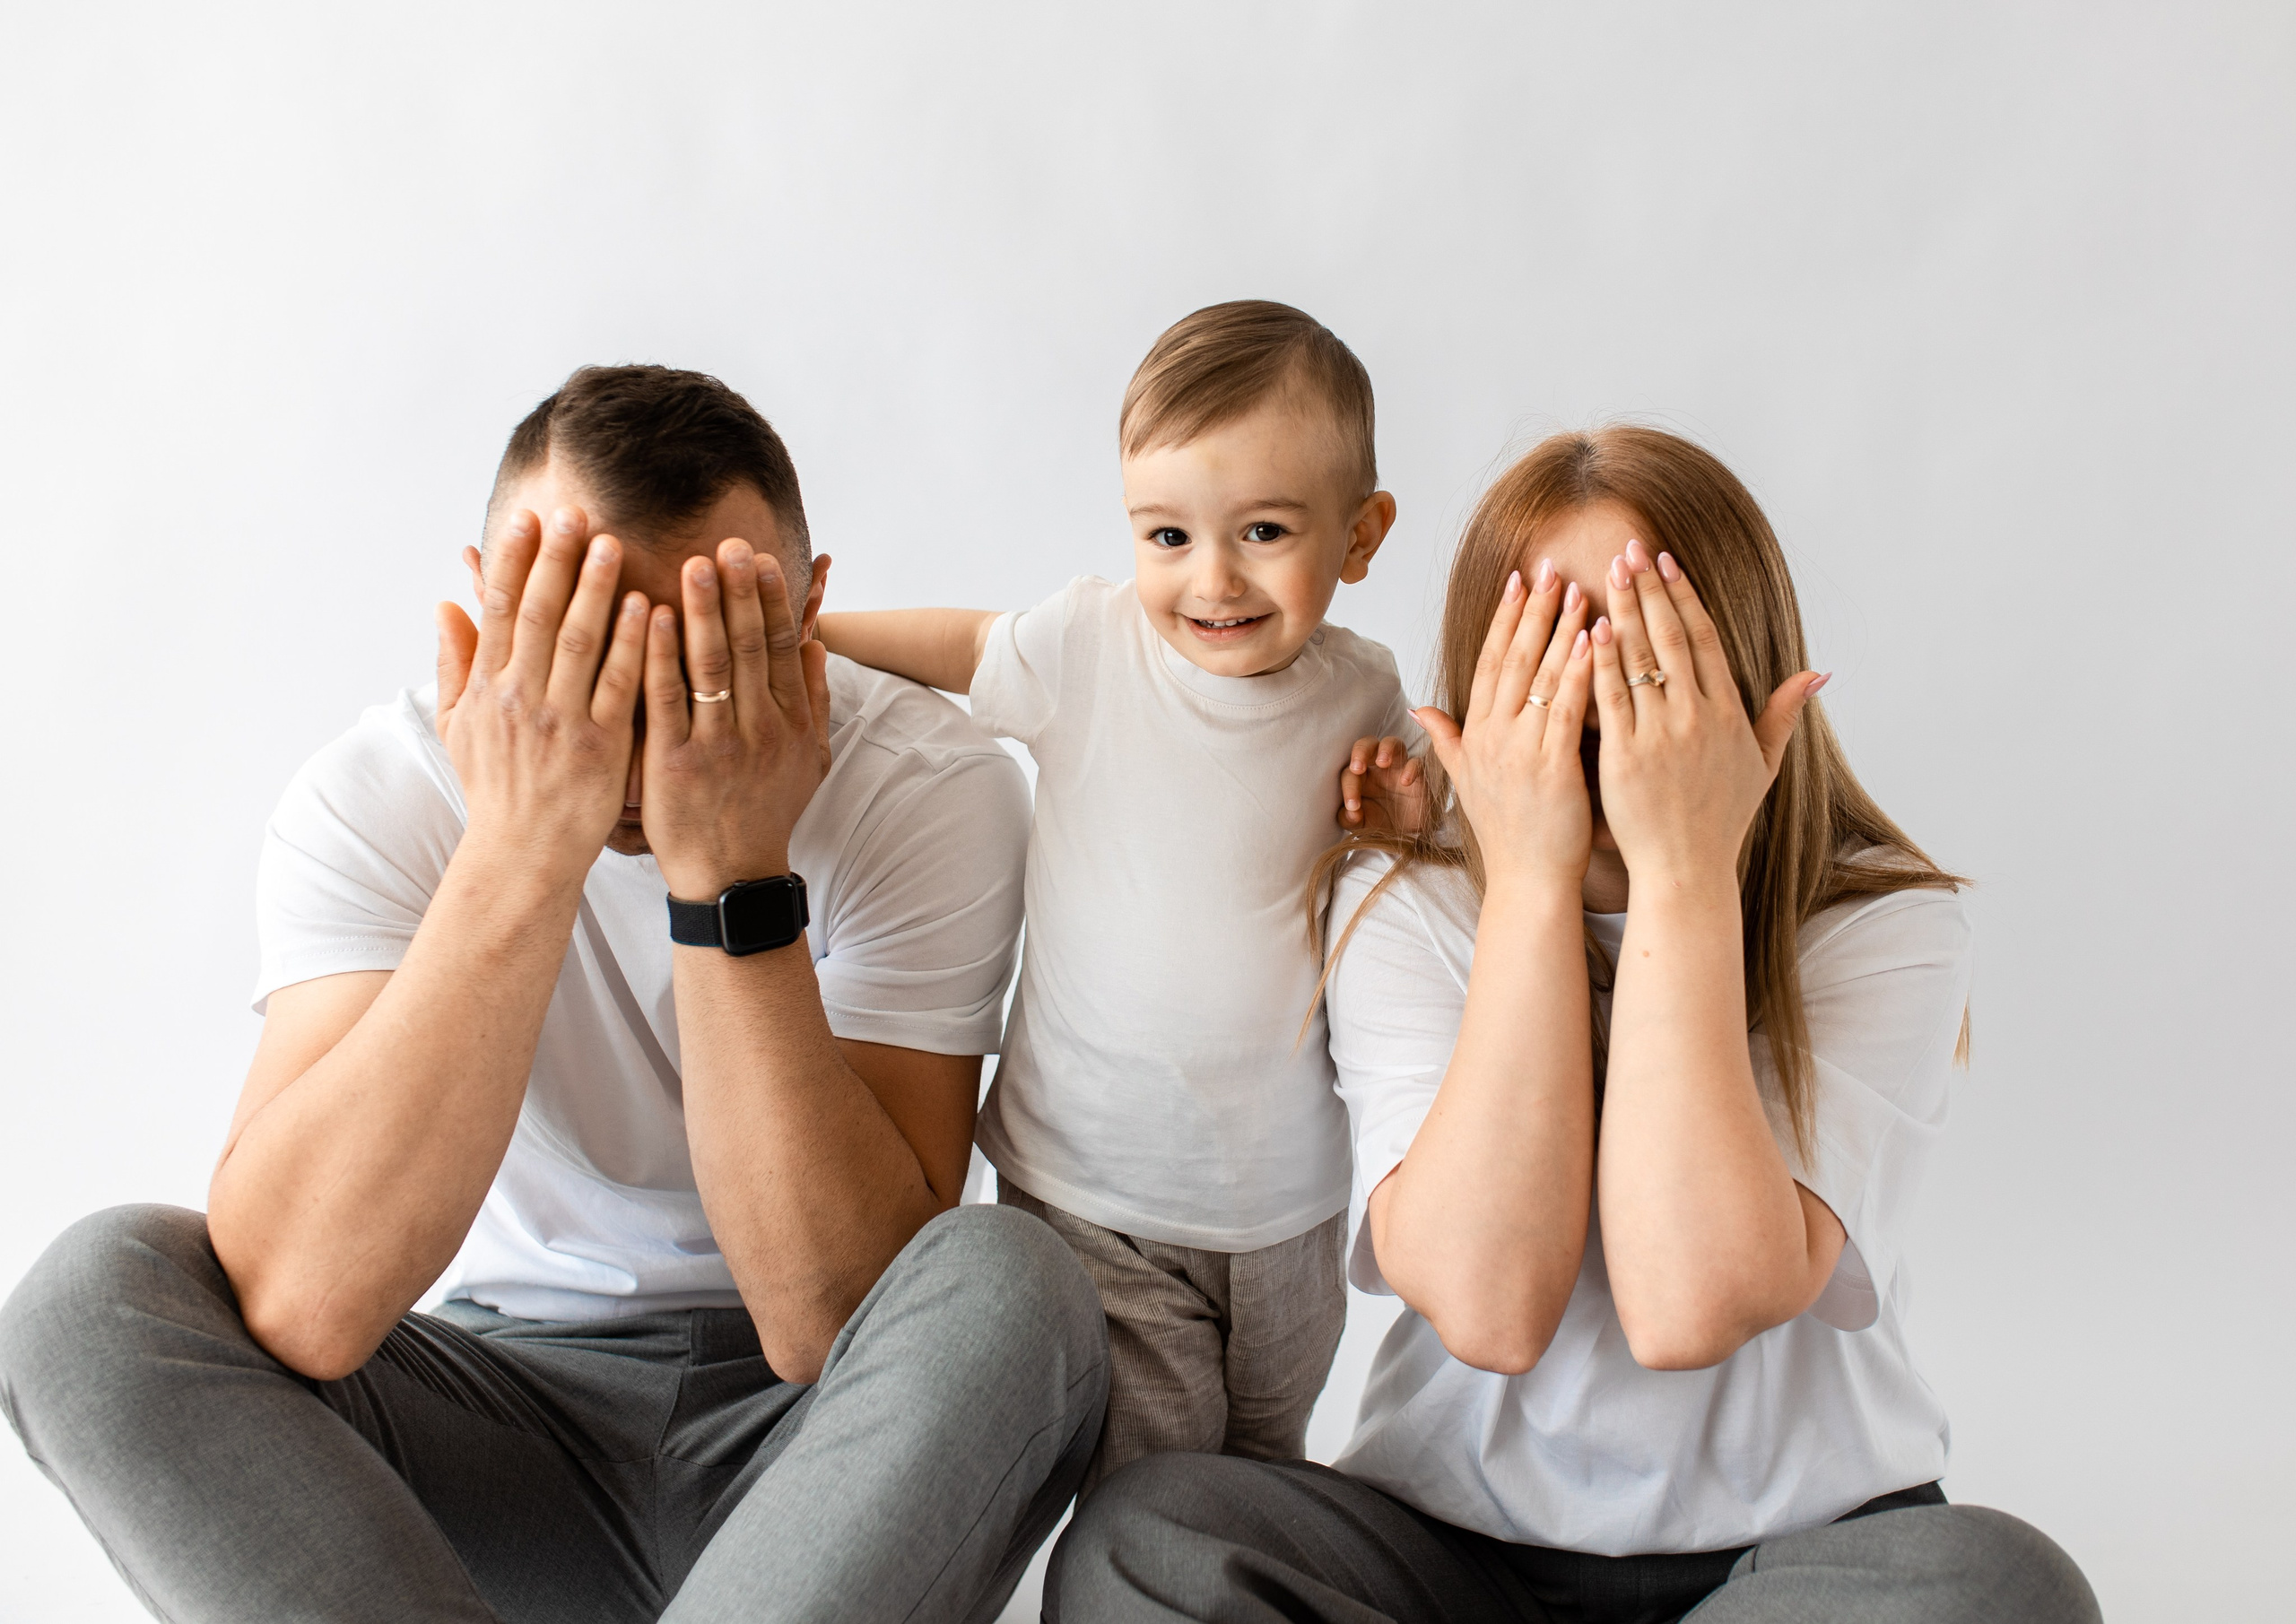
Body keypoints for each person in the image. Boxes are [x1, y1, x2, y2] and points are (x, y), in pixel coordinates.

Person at [0, 365, 1108, 1624]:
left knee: (1013, 1279)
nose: (640, 730)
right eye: (583, 646)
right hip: (493, 1426)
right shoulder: (379, 795)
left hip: (819, 1459)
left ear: (807, 615)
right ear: (492, 607)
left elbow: (829, 1318)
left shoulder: (927, 784)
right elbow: (304, 1302)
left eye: (697, 658)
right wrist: (520, 847)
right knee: (93, 1301)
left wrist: (732, 868)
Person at [1049, 426, 2102, 1622]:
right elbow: (1491, 1308)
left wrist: (1686, 870)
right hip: (1451, 1551)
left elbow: (1687, 1303)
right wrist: (1533, 878)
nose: (1604, 702)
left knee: (2004, 1594)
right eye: (1555, 649)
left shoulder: (1883, 925)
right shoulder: (1407, 904)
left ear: (1750, 679)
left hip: (1801, 1551)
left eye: (1653, 651)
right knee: (1150, 1541)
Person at [817, 300, 1417, 1492]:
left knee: (1263, 1475)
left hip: (1288, 1206)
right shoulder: (1088, 649)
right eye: (1168, 537)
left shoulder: (1366, 693)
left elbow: (1413, 855)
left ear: (1361, 535)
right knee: (1151, 1490)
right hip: (1098, 1194)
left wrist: (1401, 824)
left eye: (1261, 531)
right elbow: (960, 641)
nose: (1214, 579)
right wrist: (808, 629)